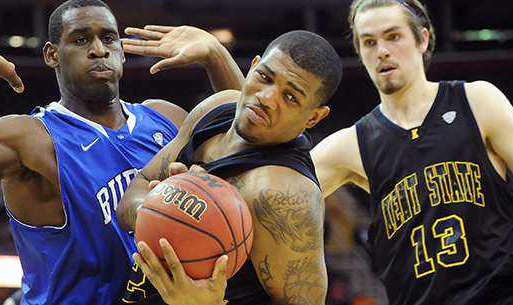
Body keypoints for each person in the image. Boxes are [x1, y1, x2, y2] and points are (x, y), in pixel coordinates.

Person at [0, 0, 244, 304]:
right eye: (81, 39)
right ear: (52, 54)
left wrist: (215, 55)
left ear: (121, 49)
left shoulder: (165, 117)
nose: (98, 49)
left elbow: (252, 151)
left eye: (108, 38)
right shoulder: (30, 138)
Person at [309, 0, 513, 304]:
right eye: (369, 42)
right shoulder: (348, 146)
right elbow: (271, 191)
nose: (382, 51)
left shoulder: (479, 101)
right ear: (360, 53)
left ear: (422, 39)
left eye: (393, 36)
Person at [116, 29, 343, 304]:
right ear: (254, 65)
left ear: (314, 117)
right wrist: (160, 207)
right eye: (265, 78)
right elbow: (136, 189)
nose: (267, 98)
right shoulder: (217, 108)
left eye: (291, 97)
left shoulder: (284, 195)